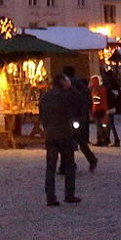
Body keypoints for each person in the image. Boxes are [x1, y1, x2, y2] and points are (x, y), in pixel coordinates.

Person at [38, 74, 81, 207]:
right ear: (62, 82)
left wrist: (47, 128)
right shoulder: (66, 96)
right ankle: (69, 194)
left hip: (50, 134)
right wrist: (71, 88)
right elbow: (79, 103)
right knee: (69, 165)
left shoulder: (45, 97)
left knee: (50, 167)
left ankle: (50, 196)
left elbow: (42, 115)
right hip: (65, 134)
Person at [65, 70, 98, 173]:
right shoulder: (82, 86)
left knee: (68, 141)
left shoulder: (70, 86)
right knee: (80, 141)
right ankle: (91, 159)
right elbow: (87, 100)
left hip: (72, 116)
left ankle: (69, 164)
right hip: (80, 116)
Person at [89, 74, 109, 146]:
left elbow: (96, 101)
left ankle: (100, 139)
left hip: (98, 109)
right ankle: (105, 138)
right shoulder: (103, 88)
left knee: (98, 125)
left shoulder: (95, 89)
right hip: (104, 108)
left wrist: (93, 110)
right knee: (103, 124)